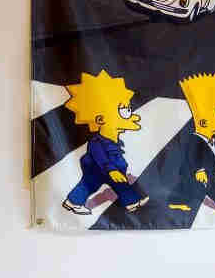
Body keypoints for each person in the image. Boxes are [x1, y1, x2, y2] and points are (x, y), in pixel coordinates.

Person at [61, 69, 149, 215]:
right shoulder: (97, 142)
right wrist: (111, 169)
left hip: (110, 169)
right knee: (91, 184)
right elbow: (100, 156)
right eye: (124, 111)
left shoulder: (112, 141)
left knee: (116, 184)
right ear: (101, 119)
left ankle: (131, 202)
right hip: (99, 168)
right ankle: (73, 202)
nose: (130, 115)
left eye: (128, 110)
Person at [168, 73, 215, 212]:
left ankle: (175, 201)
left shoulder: (212, 138)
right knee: (208, 185)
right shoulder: (196, 139)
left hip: (206, 169)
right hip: (195, 170)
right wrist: (198, 170)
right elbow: (192, 157)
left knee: (187, 187)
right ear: (204, 122)